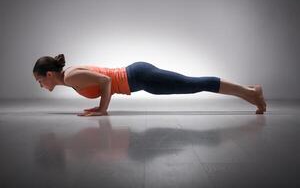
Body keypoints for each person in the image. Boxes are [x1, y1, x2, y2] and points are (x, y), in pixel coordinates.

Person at [33, 54, 267, 116]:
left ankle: (251, 93)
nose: (40, 84)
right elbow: (104, 82)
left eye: (40, 80)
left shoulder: (72, 77)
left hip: (140, 76)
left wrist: (103, 109)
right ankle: (248, 92)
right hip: (140, 79)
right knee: (192, 84)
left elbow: (105, 81)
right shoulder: (71, 77)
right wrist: (100, 107)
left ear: (50, 74)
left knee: (193, 84)